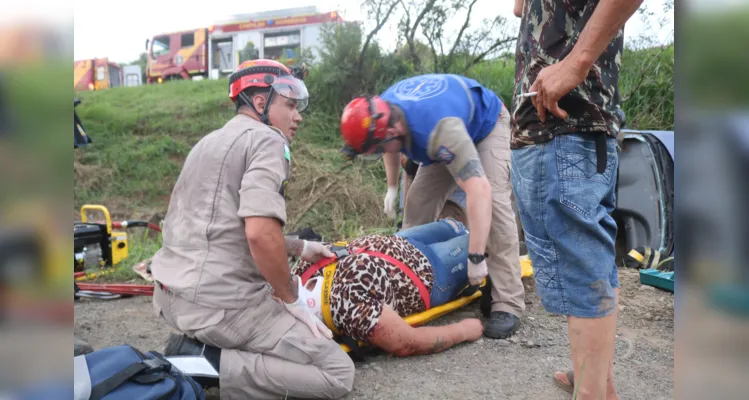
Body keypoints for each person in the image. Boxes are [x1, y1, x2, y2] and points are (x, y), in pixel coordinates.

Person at [150, 59, 355, 399]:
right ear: (261, 103)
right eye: (289, 105)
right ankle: (204, 363)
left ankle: (199, 348)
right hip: (219, 309)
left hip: (171, 298)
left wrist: (299, 248)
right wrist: (291, 300)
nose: (298, 116)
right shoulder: (268, 141)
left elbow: (221, 228)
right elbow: (259, 233)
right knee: (336, 373)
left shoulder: (207, 143)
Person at [510, 0, 642, 398]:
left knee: (582, 259)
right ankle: (599, 382)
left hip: (569, 116)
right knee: (586, 259)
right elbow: (521, 10)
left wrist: (575, 63)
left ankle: (591, 393)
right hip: (553, 120)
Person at [339, 74, 525, 339]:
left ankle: (508, 302)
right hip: (440, 132)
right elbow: (388, 149)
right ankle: (411, 285)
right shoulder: (383, 111)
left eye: (376, 148)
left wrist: (475, 258)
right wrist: (392, 188)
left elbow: (478, 190)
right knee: (417, 204)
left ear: (392, 132)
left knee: (494, 205)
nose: (380, 152)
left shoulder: (437, 130)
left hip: (485, 127)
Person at [290, 219, 484, 356]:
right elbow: (407, 343)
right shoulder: (347, 307)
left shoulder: (298, 271)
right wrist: (464, 331)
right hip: (430, 274)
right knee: (488, 233)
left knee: (453, 225)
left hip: (400, 242)